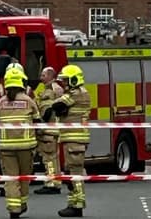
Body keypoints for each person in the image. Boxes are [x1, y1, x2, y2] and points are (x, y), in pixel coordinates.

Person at [0, 64, 41, 219]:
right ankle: (22, 204)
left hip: (7, 147)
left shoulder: (1, 102)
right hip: (26, 147)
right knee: (24, 177)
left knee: (11, 178)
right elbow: (38, 119)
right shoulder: (28, 100)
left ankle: (13, 209)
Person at [49, 64, 90, 218]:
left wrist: (60, 105)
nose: (64, 84)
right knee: (70, 173)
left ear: (74, 80)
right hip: (72, 139)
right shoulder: (76, 93)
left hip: (75, 139)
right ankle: (73, 203)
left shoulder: (77, 93)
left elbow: (57, 105)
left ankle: (77, 205)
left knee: (75, 173)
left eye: (66, 81)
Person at [33, 66, 65, 195]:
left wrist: (45, 117)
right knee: (49, 158)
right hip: (46, 130)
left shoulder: (55, 89)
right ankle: (53, 181)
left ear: (51, 76)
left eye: (43, 75)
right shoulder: (46, 89)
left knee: (49, 158)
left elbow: (56, 107)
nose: (41, 78)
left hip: (50, 130)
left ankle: (52, 183)